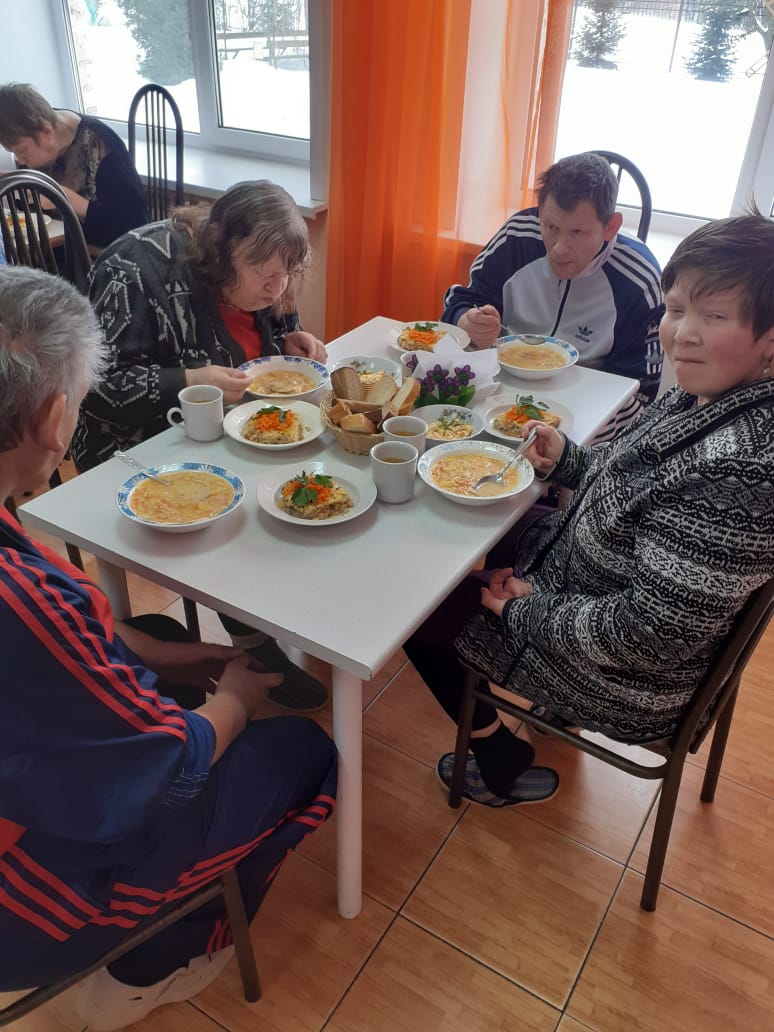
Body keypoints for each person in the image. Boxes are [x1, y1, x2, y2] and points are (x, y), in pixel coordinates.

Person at [0, 266, 337, 1030]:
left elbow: (71, 641)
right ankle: (150, 965)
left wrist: (173, 656)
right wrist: (235, 700)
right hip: (19, 904)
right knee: (306, 753)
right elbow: (171, 761)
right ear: (55, 418)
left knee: (162, 643)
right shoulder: (22, 602)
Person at [407, 213, 774, 807]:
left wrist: (526, 612)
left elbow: (651, 637)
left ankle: (499, 759)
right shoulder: (708, 394)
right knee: (459, 531)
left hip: (625, 678)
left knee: (416, 608)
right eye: (676, 309)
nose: (682, 334)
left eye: (714, 316)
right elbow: (636, 486)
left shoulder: (740, 472)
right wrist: (569, 461)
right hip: (589, 575)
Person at [73, 178, 329, 714]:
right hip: (134, 446)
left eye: (287, 273)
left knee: (304, 480)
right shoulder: (133, 270)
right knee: (239, 509)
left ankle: (278, 612)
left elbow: (268, 319)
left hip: (222, 427)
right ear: (220, 249)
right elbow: (95, 389)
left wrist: (290, 336)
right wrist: (187, 380)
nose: (277, 286)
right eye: (264, 273)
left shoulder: (264, 274)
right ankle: (253, 643)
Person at [442, 152, 665, 437]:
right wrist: (467, 321)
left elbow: (639, 394)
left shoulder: (639, 279)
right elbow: (459, 302)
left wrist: (572, 444)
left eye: (578, 232)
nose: (559, 248)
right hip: (498, 398)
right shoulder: (516, 237)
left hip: (586, 412)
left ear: (611, 227)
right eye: (551, 227)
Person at [0, 82, 148, 249]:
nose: (19, 160)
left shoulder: (101, 147)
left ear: (46, 132)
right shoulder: (34, 131)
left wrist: (66, 198)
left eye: (22, 151)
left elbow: (135, 228)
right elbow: (31, 211)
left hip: (108, 255)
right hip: (58, 248)